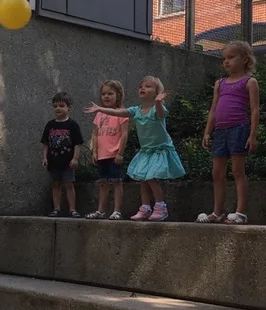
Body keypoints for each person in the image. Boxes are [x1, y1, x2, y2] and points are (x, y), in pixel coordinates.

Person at [86, 76, 185, 221]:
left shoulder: (158, 109)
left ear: (157, 92)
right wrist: (100, 108)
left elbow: (161, 114)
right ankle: (145, 208)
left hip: (159, 149)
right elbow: (118, 112)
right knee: (143, 179)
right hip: (146, 150)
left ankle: (160, 207)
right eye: (141, 86)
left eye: (148, 86)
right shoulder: (136, 110)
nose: (142, 88)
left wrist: (158, 102)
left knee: (151, 178)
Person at [198, 41, 260, 225]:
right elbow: (213, 109)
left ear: (245, 59)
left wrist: (253, 134)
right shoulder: (220, 83)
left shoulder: (249, 82)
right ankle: (217, 212)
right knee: (217, 172)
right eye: (224, 58)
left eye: (231, 57)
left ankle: (240, 212)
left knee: (237, 171)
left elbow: (255, 110)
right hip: (220, 131)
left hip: (239, 129)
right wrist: (208, 132)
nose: (226, 62)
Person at [86, 80, 129, 220]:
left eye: (110, 93)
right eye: (104, 94)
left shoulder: (121, 113)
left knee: (117, 182)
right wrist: (94, 151)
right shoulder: (99, 114)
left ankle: (117, 210)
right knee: (103, 183)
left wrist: (120, 152)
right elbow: (95, 133)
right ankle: (101, 210)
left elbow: (124, 134)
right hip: (101, 155)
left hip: (114, 154)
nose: (106, 96)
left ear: (118, 95)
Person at [41, 91, 85, 217]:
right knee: (55, 184)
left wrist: (75, 158)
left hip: (68, 162)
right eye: (55, 106)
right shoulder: (50, 125)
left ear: (68, 108)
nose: (58, 108)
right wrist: (44, 157)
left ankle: (72, 209)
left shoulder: (72, 125)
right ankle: (56, 208)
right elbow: (45, 143)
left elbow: (77, 143)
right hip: (53, 161)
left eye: (61, 106)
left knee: (69, 184)